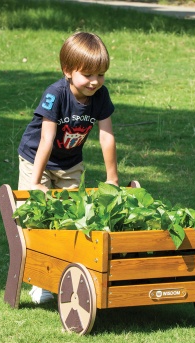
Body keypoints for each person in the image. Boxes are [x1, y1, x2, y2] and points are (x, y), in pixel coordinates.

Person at [17, 31, 118, 304]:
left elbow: (106, 135)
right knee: (37, 216)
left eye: (101, 74)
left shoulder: (100, 95)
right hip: (36, 158)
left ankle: (64, 275)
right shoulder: (55, 94)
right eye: (88, 74)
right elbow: (46, 140)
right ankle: (39, 281)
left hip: (70, 162)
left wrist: (112, 178)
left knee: (74, 218)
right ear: (68, 71)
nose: (95, 81)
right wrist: (36, 182)